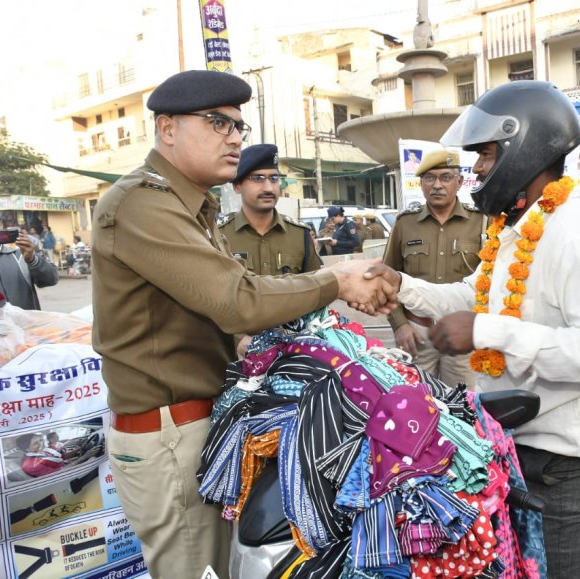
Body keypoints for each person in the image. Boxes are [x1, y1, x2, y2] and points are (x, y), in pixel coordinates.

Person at [90, 69, 396, 579]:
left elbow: (227, 311)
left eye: (238, 126)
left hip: (198, 421)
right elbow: (236, 300)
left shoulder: (188, 205)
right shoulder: (143, 203)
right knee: (197, 569)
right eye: (217, 123)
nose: (234, 137)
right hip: (170, 431)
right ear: (167, 128)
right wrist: (336, 280)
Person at [367, 80, 580, 578]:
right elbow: (471, 297)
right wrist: (399, 283)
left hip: (561, 465)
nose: (478, 171)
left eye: (486, 156)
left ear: (526, 148)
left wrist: (489, 332)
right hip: (509, 445)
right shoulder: (512, 231)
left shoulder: (575, 234)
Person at [383, 148, 486, 389]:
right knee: (415, 404)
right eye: (429, 178)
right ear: (420, 184)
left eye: (445, 177)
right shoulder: (405, 224)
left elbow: (489, 281)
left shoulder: (481, 222)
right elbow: (388, 280)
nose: (437, 185)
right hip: (416, 334)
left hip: (462, 335)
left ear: (460, 182)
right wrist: (400, 325)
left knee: (463, 406)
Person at [219, 143, 320, 275]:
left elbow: (315, 289)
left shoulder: (300, 235)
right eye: (258, 178)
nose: (269, 188)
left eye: (274, 178)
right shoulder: (219, 236)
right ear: (237, 186)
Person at [0, 207, 58, 310]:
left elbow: (50, 280)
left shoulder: (21, 252)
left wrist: (32, 259)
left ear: (2, 227)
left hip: (27, 324)